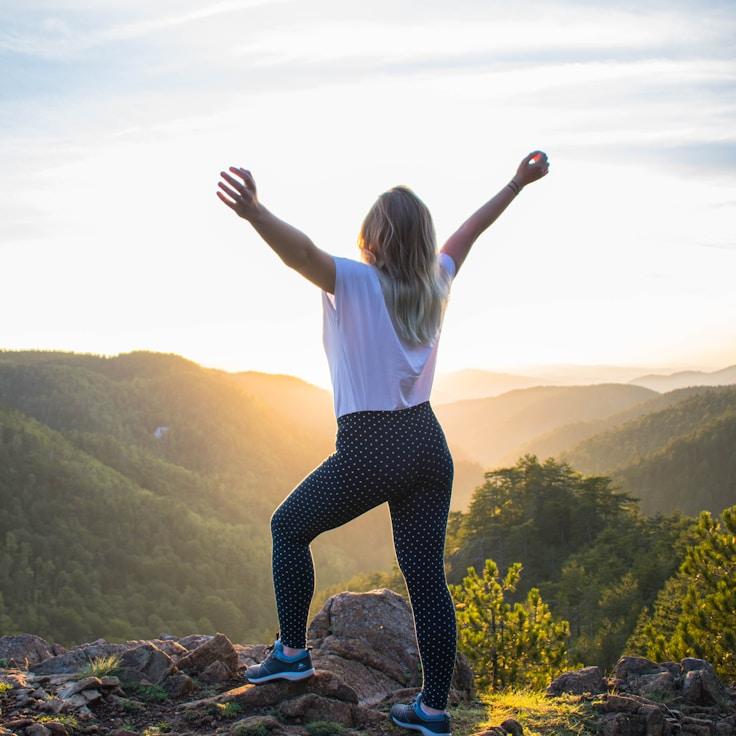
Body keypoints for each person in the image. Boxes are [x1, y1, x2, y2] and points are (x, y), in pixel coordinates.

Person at [216, 151, 550, 736]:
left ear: (373, 235)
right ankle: (433, 710)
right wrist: (516, 184)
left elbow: (302, 253)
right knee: (426, 576)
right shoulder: (436, 280)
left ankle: (292, 652)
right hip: (428, 442)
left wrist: (255, 213)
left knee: (288, 527)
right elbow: (471, 229)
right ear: (423, 239)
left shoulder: (356, 280)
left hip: (373, 443)